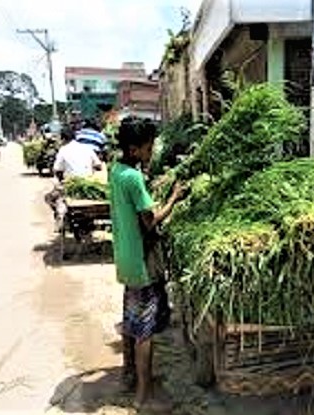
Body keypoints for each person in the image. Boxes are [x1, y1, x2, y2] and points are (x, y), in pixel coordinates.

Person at [109, 117, 185, 409]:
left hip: (126, 258)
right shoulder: (134, 178)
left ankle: (128, 376)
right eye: (149, 146)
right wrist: (175, 198)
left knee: (131, 322)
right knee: (145, 331)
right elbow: (151, 221)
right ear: (133, 147)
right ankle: (144, 395)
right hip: (143, 261)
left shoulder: (116, 170)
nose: (152, 150)